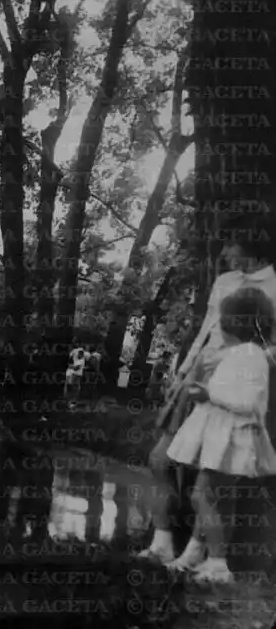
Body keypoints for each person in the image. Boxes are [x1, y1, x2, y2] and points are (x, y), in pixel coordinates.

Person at [140, 217, 276, 566]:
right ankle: (162, 542)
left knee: (214, 471)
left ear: (252, 244)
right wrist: (183, 373)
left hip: (233, 383)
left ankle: (198, 554)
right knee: (160, 459)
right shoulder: (224, 281)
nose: (225, 253)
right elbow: (206, 331)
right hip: (198, 377)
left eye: (231, 244)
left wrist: (244, 359)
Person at [163, 287, 276, 582]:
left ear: (235, 322)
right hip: (223, 436)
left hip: (233, 439)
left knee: (203, 495)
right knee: (217, 498)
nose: (218, 325)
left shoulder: (251, 356)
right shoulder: (239, 353)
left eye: (223, 318)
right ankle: (196, 554)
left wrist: (208, 393)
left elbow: (250, 402)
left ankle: (217, 562)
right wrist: (206, 390)